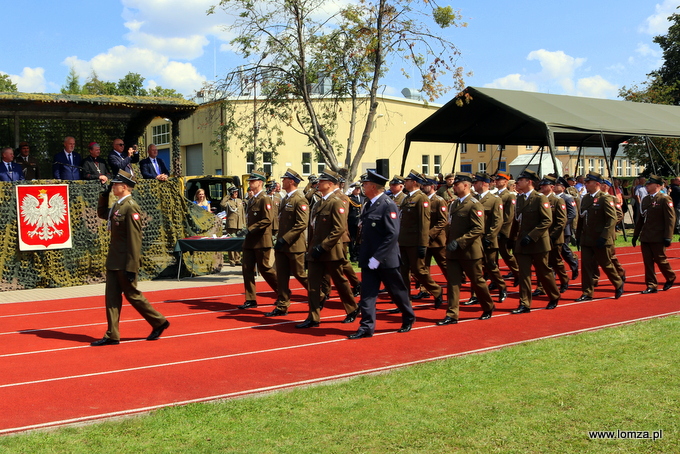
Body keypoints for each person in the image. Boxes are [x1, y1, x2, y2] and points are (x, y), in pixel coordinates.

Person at [91, 171, 169, 346]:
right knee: (111, 298)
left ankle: (159, 321)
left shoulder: (130, 207)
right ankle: (112, 334)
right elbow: (103, 213)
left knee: (133, 295)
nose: (113, 186)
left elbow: (135, 239)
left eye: (115, 184)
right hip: (114, 261)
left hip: (125, 263)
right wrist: (104, 194)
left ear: (124, 186)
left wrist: (132, 267)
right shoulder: (118, 205)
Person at [347, 170, 416, 339]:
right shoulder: (368, 204)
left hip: (385, 260)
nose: (363, 187)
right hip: (369, 259)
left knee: (396, 292)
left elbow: (392, 234)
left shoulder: (388, 204)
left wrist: (377, 257)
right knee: (367, 295)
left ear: (373, 186)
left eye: (365, 184)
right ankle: (366, 327)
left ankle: (408, 316)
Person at [296, 170, 359, 329]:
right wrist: (311, 248)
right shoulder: (318, 202)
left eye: (322, 181)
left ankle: (352, 308)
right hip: (315, 250)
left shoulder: (336, 202)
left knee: (339, 281)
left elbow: (338, 229)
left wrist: (322, 247)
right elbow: (313, 228)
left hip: (330, 251)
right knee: (313, 285)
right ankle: (313, 317)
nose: (318, 183)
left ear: (330, 184)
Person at [437, 172, 495, 325]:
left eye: (457, 184)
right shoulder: (454, 204)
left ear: (466, 186)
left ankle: (488, 306)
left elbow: (478, 228)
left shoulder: (474, 204)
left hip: (469, 251)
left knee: (477, 281)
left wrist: (460, 242)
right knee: (453, 283)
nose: (454, 187)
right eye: (454, 184)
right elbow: (450, 225)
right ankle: (452, 314)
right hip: (453, 251)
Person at [510, 169, 560, 313]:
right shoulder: (519, 198)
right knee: (524, 274)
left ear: (529, 182)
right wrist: (512, 238)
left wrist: (531, 236)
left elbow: (547, 220)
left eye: (521, 180)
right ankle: (524, 303)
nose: (517, 183)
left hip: (537, 242)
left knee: (543, 272)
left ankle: (553, 295)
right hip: (522, 243)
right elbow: (517, 221)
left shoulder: (540, 198)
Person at [574, 172, 624, 302]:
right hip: (587, 238)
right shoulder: (585, 199)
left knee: (606, 264)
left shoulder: (605, 198)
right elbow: (581, 218)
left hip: (600, 238)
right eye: (585, 182)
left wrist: (604, 236)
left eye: (588, 182)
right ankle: (587, 292)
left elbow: (612, 219)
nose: (586, 184)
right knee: (586, 266)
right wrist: (578, 235)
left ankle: (618, 282)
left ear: (597, 184)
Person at [398, 170, 444, 308]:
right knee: (403, 272)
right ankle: (406, 302)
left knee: (419, 271)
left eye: (407, 181)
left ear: (415, 182)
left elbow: (424, 223)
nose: (404, 183)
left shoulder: (422, 198)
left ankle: (437, 290)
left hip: (415, 241)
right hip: (404, 241)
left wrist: (423, 244)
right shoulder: (406, 198)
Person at [267, 169, 309, 316]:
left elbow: (301, 224)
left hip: (294, 244)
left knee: (299, 274)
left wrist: (285, 239)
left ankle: (319, 294)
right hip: (282, 244)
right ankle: (282, 305)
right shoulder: (285, 198)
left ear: (291, 181)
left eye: (285, 179)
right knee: (281, 276)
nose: (282, 181)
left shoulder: (300, 199)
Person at [237, 170, 279, 309]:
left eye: (252, 181)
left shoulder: (265, 199)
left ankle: (282, 292)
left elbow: (267, 219)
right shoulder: (252, 199)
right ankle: (250, 299)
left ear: (260, 183)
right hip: (250, 241)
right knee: (247, 269)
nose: (250, 183)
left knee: (265, 269)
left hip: (261, 240)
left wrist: (250, 229)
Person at [632, 175, 676, 293]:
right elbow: (641, 218)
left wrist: (668, 236)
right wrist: (636, 235)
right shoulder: (646, 199)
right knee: (648, 262)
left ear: (657, 185)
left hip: (658, 236)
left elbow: (670, 219)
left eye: (649, 184)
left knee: (660, 260)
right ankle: (651, 285)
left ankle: (670, 276)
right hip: (646, 236)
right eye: (646, 184)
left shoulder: (664, 199)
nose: (647, 185)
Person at [471, 172, 507, 303]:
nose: (474, 185)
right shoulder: (473, 198)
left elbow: (498, 221)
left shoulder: (495, 199)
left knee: (491, 266)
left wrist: (490, 237)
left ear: (484, 184)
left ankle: (502, 287)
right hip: (475, 240)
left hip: (488, 239)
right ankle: (475, 295)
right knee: (475, 268)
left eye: (476, 183)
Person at [533, 175, 569, 295]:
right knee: (541, 263)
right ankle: (540, 287)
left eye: (545, 185)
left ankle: (564, 280)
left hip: (554, 238)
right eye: (541, 185)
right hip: (542, 238)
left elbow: (561, 221)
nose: (541, 187)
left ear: (552, 187)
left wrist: (553, 236)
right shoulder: (538, 199)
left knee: (556, 262)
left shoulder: (558, 200)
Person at [494, 172, 520, 285]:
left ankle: (518, 273)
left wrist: (502, 231)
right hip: (493, 230)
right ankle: (495, 279)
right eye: (496, 180)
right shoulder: (495, 195)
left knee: (506, 254)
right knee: (492, 257)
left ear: (505, 182)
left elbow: (509, 216)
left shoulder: (510, 195)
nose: (496, 181)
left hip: (503, 231)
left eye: (499, 180)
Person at [554, 177, 579, 280]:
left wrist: (562, 224)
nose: (554, 187)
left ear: (563, 188)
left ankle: (574, 265)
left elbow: (572, 214)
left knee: (565, 251)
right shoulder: (551, 198)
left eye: (557, 185)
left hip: (564, 230)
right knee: (553, 252)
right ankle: (553, 273)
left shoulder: (567, 198)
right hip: (553, 230)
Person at [221, 186, 245, 265]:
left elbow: (242, 213)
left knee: (238, 243)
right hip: (231, 224)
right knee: (231, 242)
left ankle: (238, 259)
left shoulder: (239, 200)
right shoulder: (228, 201)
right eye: (234, 192)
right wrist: (228, 195)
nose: (236, 193)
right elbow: (222, 204)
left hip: (239, 224)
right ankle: (232, 260)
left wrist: (243, 224)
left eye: (236, 192)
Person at [347, 182, 364, 262]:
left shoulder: (362, 198)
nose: (358, 190)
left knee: (359, 239)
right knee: (352, 240)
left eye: (359, 188)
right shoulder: (349, 199)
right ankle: (353, 256)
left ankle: (358, 255)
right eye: (356, 189)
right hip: (352, 222)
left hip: (360, 222)